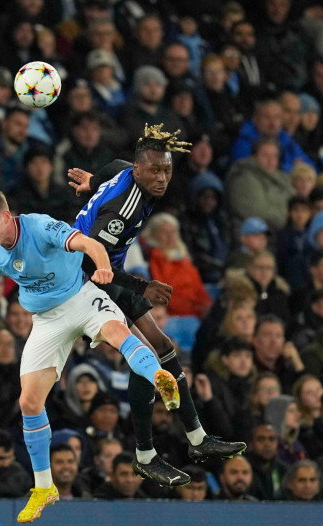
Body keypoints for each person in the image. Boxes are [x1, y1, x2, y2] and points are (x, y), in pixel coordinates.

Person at [0, 189, 185, 524]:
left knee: (118, 332)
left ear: (5, 215)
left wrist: (102, 269)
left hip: (81, 297)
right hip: (46, 321)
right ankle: (44, 488)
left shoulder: (39, 227)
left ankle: (158, 377)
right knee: (29, 403)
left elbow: (90, 244)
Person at [66, 124, 246, 485]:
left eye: (167, 170)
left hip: (110, 271)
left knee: (164, 346)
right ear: (138, 170)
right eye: (154, 171)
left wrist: (91, 185)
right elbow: (87, 262)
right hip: (82, 280)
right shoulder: (123, 211)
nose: (162, 178)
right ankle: (145, 455)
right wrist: (142, 285)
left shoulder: (125, 172)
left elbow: (113, 165)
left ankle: (197, 439)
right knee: (144, 359)